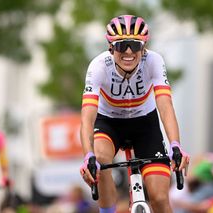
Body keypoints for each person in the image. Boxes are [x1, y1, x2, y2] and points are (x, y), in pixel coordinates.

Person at [79, 15, 190, 213]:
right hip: (109, 123)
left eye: (135, 45)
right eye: (122, 46)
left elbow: (165, 106)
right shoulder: (98, 66)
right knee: (101, 158)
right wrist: (88, 155)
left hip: (144, 124)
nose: (129, 51)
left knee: (159, 198)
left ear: (144, 48)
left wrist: (175, 145)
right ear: (111, 48)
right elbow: (87, 117)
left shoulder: (154, 61)